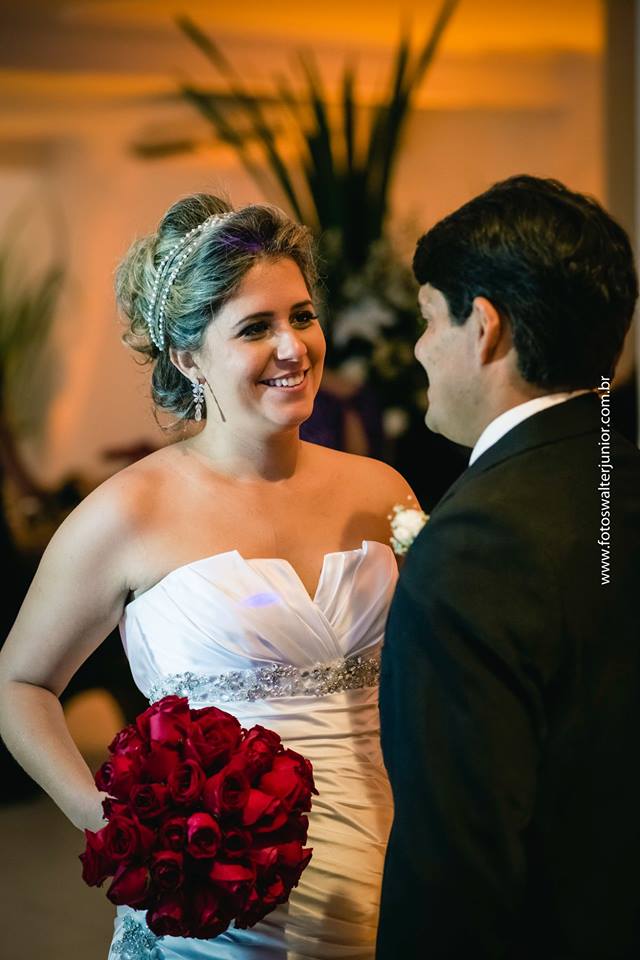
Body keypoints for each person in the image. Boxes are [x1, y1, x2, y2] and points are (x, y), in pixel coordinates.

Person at [0, 194, 416, 958]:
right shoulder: (125, 514)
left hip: (390, 883)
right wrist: (113, 827)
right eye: (256, 328)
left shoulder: (382, 494)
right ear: (187, 357)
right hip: (214, 920)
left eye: (302, 314)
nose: (294, 346)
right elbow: (19, 683)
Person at [377, 175, 640, 959]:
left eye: (427, 319)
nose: (420, 348)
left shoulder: (472, 549)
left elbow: (455, 870)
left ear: (484, 328)